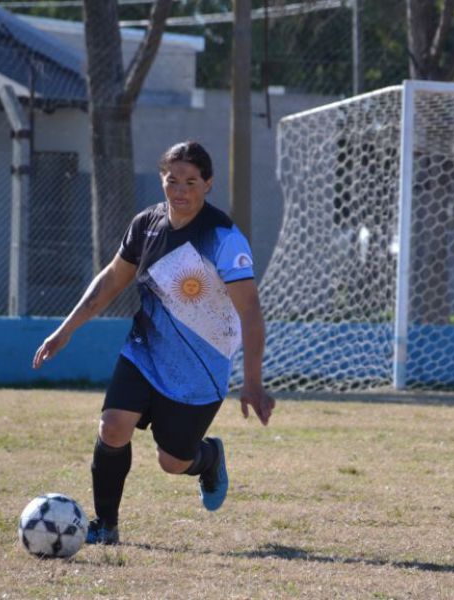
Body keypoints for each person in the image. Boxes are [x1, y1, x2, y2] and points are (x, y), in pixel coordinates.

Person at [32, 140, 275, 545]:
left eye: (191, 182)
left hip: (200, 366)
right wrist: (66, 328)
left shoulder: (223, 238)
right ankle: (105, 526)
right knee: (112, 428)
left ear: (208, 184)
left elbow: (250, 310)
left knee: (173, 461)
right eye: (172, 180)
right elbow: (111, 279)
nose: (180, 190)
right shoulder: (146, 225)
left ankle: (209, 457)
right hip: (144, 350)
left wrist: (252, 382)